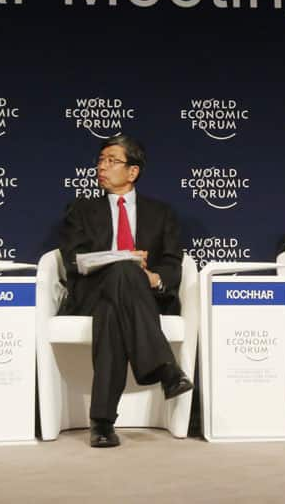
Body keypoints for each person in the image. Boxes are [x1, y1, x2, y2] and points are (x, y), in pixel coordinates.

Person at [59, 135, 194, 448]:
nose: (102, 167)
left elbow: (174, 263)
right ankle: (165, 368)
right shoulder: (81, 210)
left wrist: (154, 278)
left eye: (111, 161)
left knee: (113, 312)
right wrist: (121, 263)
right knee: (122, 268)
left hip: (141, 297)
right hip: (92, 292)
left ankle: (102, 423)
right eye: (100, 160)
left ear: (132, 172)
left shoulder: (161, 213)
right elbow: (73, 260)